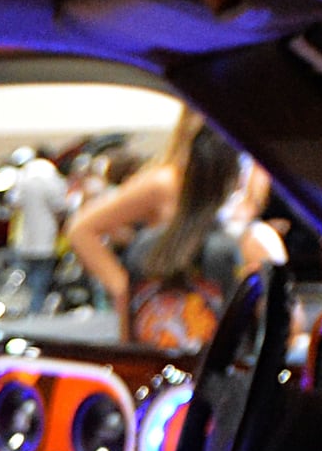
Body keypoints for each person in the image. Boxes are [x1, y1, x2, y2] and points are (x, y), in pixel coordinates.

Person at [64, 112, 279, 349]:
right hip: (166, 318)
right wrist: (123, 287)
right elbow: (82, 228)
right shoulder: (165, 182)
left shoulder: (239, 185)